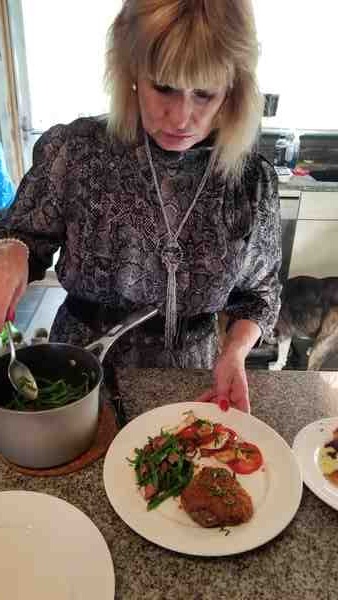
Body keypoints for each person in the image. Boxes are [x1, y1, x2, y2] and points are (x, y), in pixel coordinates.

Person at [0, 0, 281, 413]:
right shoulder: (76, 151)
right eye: (163, 87)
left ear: (232, 91)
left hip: (192, 384)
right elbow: (25, 235)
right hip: (79, 373)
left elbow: (260, 295)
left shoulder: (249, 182)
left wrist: (235, 350)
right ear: (131, 71)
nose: (181, 117)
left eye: (204, 94)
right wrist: (12, 253)